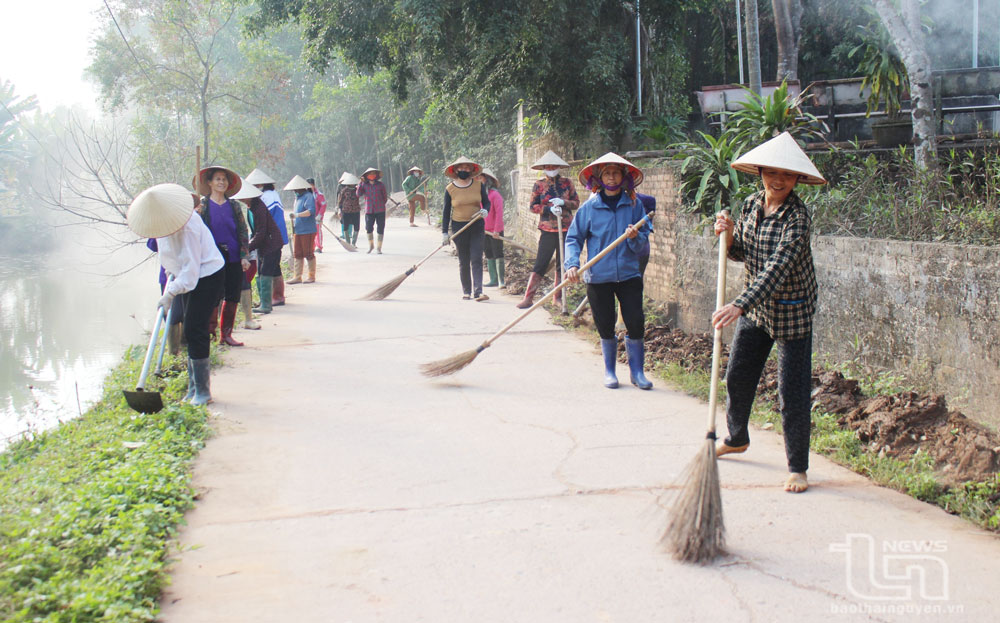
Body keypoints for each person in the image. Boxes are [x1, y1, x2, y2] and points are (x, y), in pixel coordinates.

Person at [712, 131, 826, 494]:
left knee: (791, 391)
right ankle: (737, 437)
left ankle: (798, 468)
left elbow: (779, 267)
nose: (779, 181)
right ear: (760, 172)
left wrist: (739, 303)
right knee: (737, 375)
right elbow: (740, 253)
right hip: (757, 311)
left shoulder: (797, 217)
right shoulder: (749, 206)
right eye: (772, 173)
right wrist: (727, 235)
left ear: (797, 180)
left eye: (788, 176)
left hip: (792, 310)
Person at [127, 183, 225, 406]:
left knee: (194, 329)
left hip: (207, 275)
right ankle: (193, 388)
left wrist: (170, 293)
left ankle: (202, 391)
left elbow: (191, 274)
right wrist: (171, 280)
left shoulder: (188, 225)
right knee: (190, 332)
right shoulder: (160, 225)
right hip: (186, 275)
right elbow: (170, 257)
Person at [565, 153, 653, 390]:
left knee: (635, 322)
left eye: (616, 173)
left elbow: (641, 241)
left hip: (628, 274)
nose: (612, 178)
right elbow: (573, 239)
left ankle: (637, 373)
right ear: (599, 178)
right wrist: (572, 264)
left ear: (624, 177)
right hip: (598, 276)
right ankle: (610, 371)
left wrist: (635, 237)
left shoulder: (635, 205)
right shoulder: (589, 208)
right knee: (605, 324)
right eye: (607, 173)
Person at [194, 165, 250, 347]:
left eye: (224, 179)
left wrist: (244, 255)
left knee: (232, 295)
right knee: (212, 296)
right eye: (217, 179)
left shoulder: (234, 206)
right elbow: (196, 233)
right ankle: (209, 334)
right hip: (212, 258)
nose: (221, 182)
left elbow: (242, 231)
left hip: (233, 256)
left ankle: (226, 335)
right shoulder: (202, 207)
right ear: (209, 183)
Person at [517, 150, 579, 309]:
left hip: (565, 228)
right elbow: (532, 206)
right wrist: (548, 209)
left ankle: (557, 297)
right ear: (543, 167)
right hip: (547, 229)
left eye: (554, 166)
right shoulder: (539, 185)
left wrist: (563, 203)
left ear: (559, 166)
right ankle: (528, 297)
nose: (551, 168)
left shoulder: (567, 183)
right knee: (541, 263)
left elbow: (576, 203)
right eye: (548, 166)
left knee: (562, 264)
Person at [441, 157, 490, 301]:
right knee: (464, 260)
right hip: (459, 227)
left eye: (467, 168)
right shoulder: (450, 189)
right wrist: (445, 232)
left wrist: (485, 211)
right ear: (455, 170)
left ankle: (478, 291)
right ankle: (467, 291)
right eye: (461, 168)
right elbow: (446, 211)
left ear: (472, 170)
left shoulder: (478, 185)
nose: (464, 170)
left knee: (476, 258)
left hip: (477, 225)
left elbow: (487, 203)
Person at [232, 182, 283, 316]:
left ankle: (266, 305)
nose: (241, 199)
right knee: (268, 271)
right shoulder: (251, 208)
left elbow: (261, 232)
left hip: (271, 243)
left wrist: (247, 248)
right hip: (265, 244)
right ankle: (266, 301)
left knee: (265, 271)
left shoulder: (258, 207)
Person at [247, 168, 287, 307]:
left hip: (270, 238)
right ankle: (277, 297)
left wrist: (250, 245)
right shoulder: (269, 195)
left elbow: (262, 225)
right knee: (274, 268)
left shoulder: (265, 198)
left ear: (259, 186)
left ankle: (269, 300)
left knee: (266, 270)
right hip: (270, 238)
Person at [284, 175, 317, 284]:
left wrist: (297, 215)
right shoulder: (297, 198)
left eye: (296, 189)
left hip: (308, 230)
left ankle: (311, 276)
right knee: (297, 253)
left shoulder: (308, 196)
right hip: (298, 230)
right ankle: (297, 276)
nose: (295, 190)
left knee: (308, 253)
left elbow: (310, 211)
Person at [479, 168, 505, 288]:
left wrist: (497, 230)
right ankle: (493, 279)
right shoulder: (480, 195)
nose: (478, 180)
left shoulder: (495, 195)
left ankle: (501, 281)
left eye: (481, 178)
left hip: (495, 231)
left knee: (498, 253)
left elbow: (499, 214)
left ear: (487, 179)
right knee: (488, 253)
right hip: (484, 230)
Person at [357, 167, 388, 254]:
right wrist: (360, 183)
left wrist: (380, 203)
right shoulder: (364, 185)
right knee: (369, 228)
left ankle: (379, 248)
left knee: (380, 228)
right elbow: (358, 194)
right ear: (367, 176)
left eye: (373, 174)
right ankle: (371, 246)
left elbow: (385, 197)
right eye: (370, 174)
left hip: (380, 209)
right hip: (369, 210)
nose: (372, 175)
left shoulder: (381, 185)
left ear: (376, 175)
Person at [337, 172, 361, 245]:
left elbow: (361, 194)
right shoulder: (344, 190)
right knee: (346, 226)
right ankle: (348, 242)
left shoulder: (357, 190)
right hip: (346, 211)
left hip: (356, 210)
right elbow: (340, 201)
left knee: (356, 227)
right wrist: (339, 210)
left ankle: (353, 243)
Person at [308, 177, 327, 253]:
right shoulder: (305, 194)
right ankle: (311, 247)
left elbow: (323, 205)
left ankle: (319, 247)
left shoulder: (318, 194)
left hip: (317, 217)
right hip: (308, 217)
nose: (310, 187)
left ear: (313, 185)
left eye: (311, 185)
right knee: (310, 232)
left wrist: (320, 215)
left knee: (318, 231)